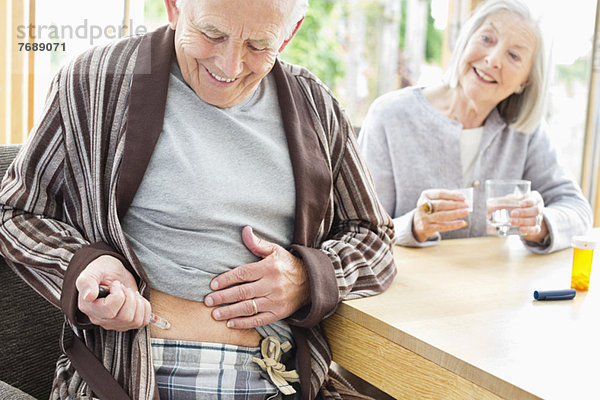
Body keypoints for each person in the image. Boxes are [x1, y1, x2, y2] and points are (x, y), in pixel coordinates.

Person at [0, 0, 396, 399]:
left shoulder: (316, 106)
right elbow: (15, 209)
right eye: (212, 34)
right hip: (128, 381)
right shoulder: (93, 80)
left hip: (281, 383)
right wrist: (87, 263)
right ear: (174, 8)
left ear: (289, 34)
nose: (230, 65)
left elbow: (374, 238)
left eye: (259, 45)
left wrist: (309, 278)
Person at [358, 0, 592, 254]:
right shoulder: (390, 116)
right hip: (408, 288)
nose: (492, 60)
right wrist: (414, 225)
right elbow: (360, 230)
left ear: (526, 80)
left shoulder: (525, 131)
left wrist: (540, 224)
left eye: (514, 55)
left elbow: (578, 210)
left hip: (492, 288)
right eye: (487, 39)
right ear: (466, 40)